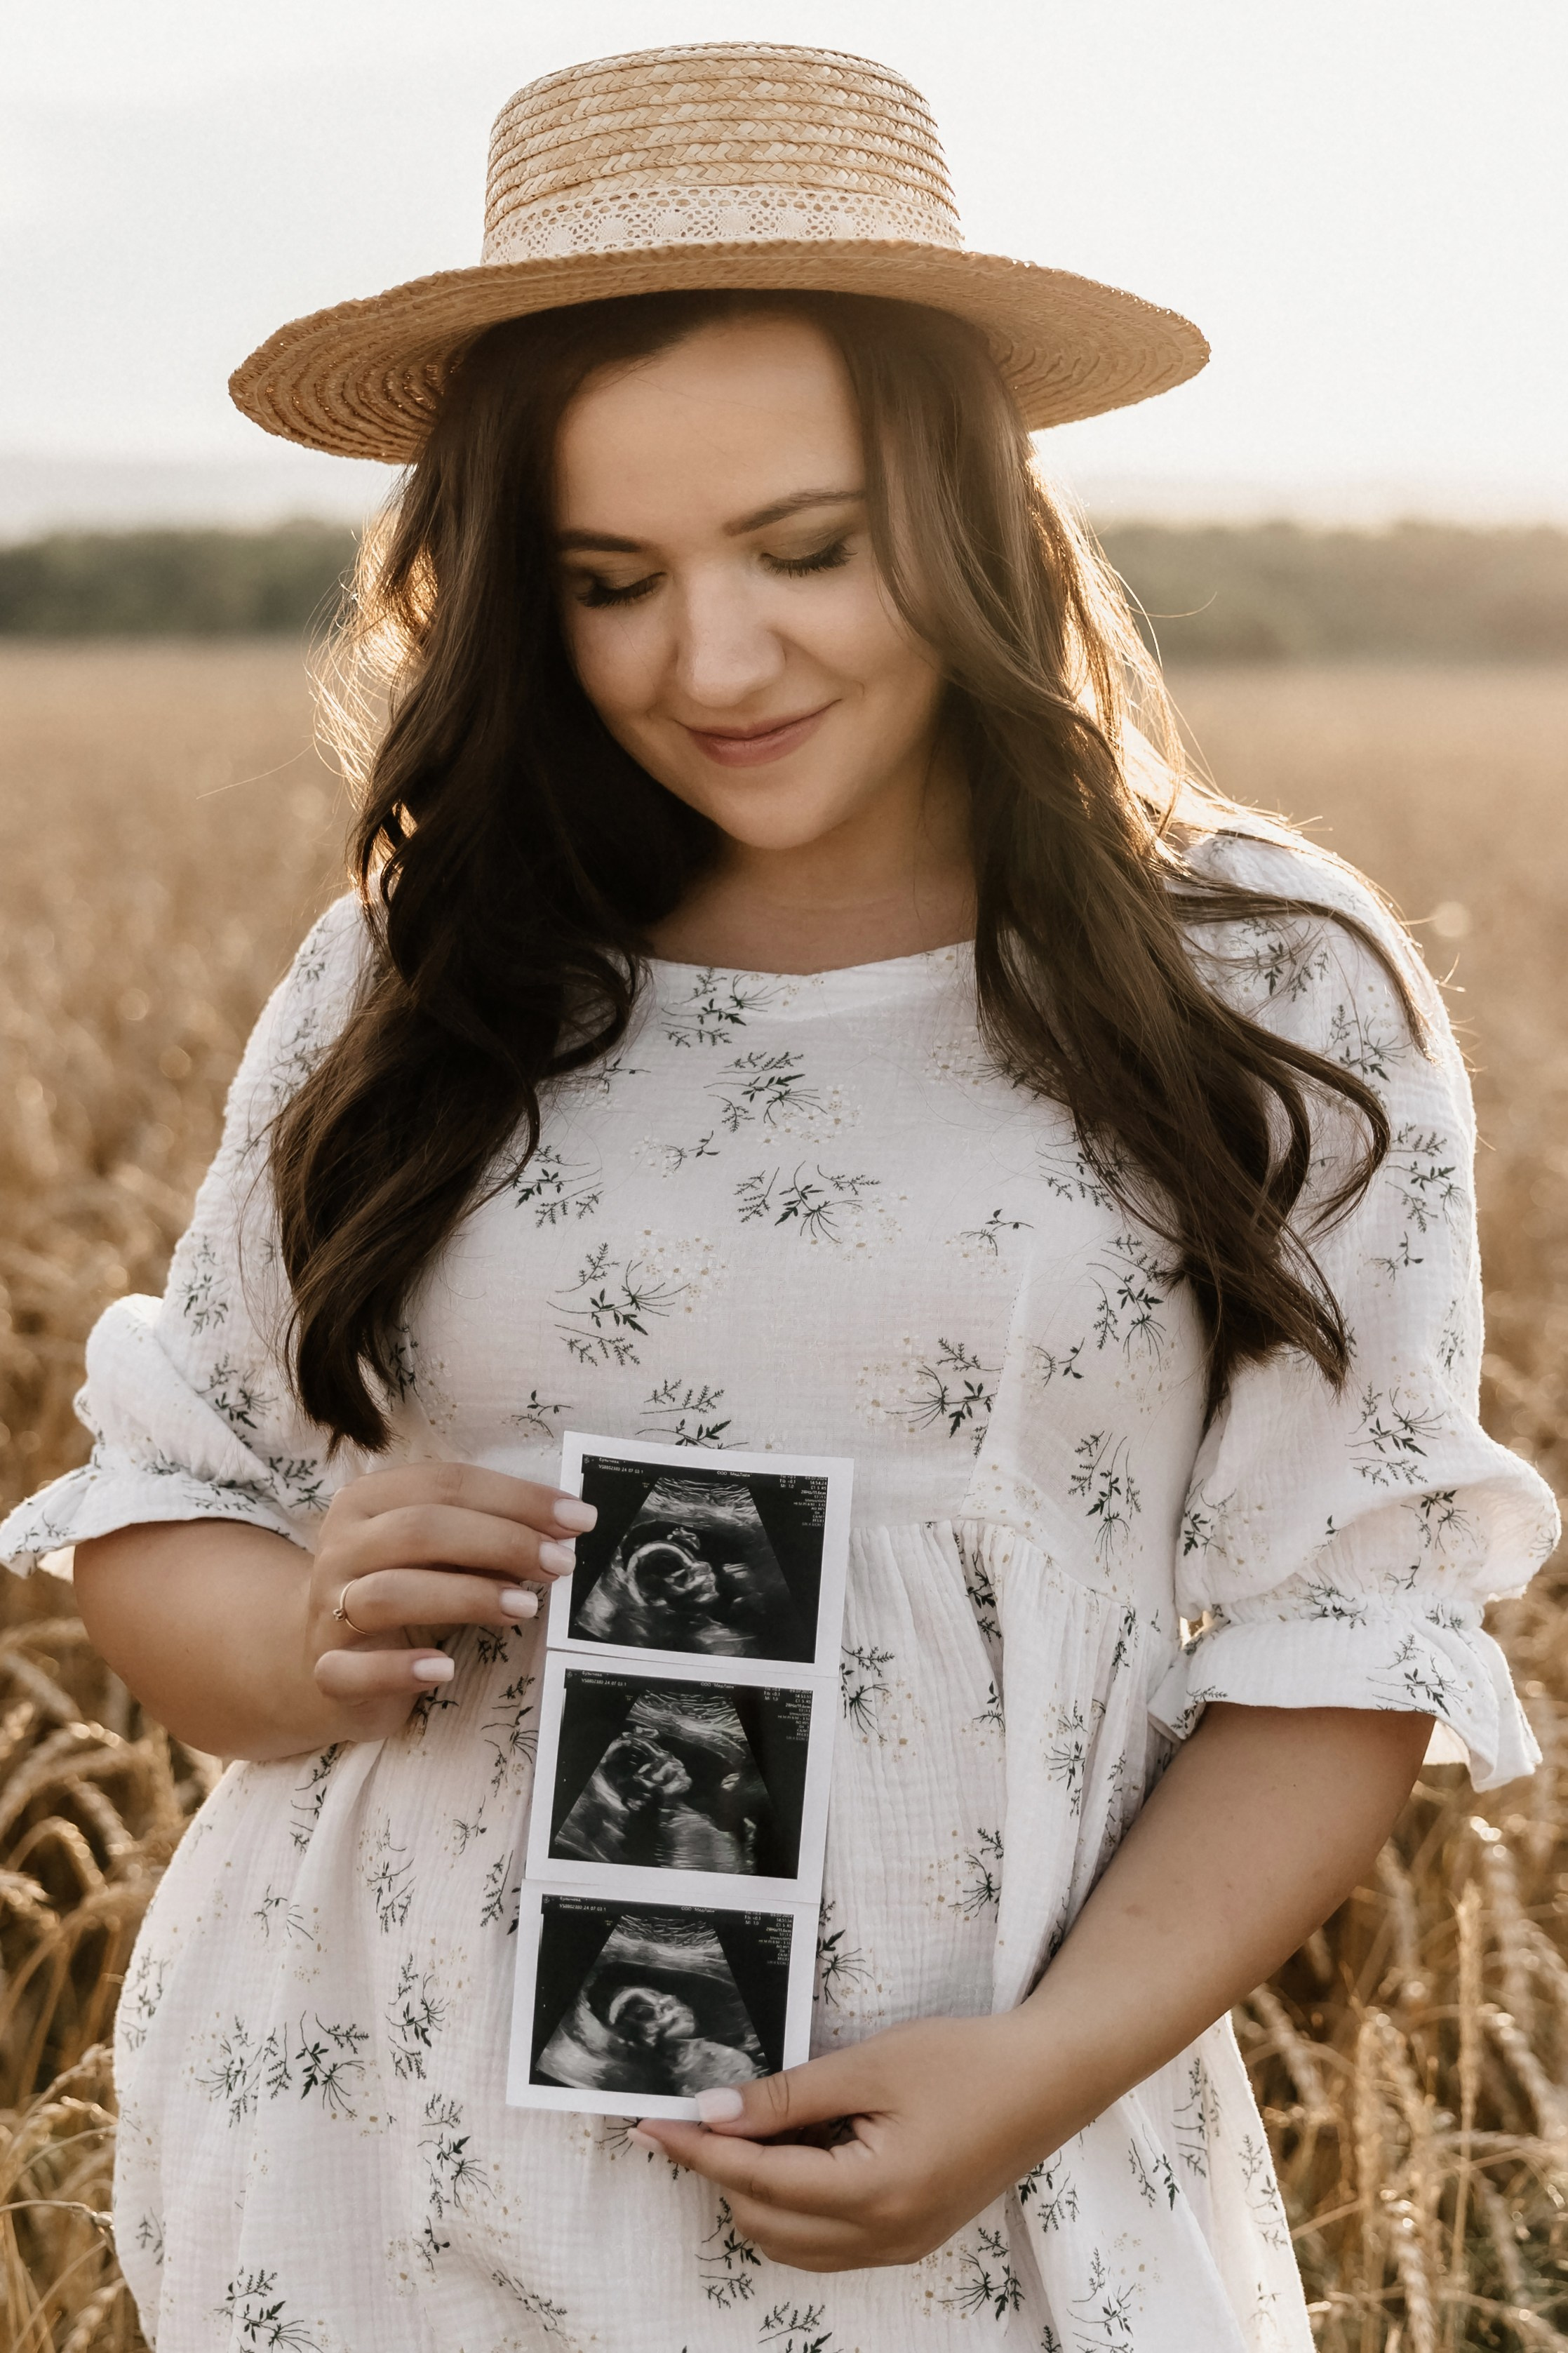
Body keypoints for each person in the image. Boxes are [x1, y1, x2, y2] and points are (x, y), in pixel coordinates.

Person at [2, 40, 1555, 2352]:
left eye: (803, 550)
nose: (709, 662)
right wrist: (301, 1618)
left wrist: (1031, 2078)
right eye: (605, 580)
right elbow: (165, 1509)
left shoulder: (1258, 987)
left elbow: (1347, 1636)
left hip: (967, 2173)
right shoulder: (425, 970)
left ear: (967, 503)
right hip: (379, 2157)